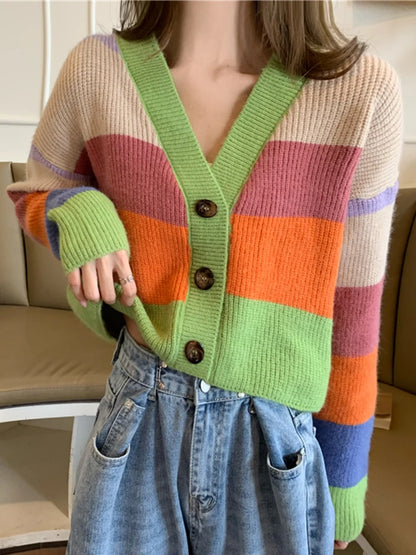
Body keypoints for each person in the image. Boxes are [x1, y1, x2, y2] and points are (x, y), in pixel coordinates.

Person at [6, 0, 403, 553]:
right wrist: (77, 211)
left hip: (274, 446)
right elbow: (36, 190)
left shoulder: (360, 92)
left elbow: (354, 310)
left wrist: (343, 478)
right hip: (136, 424)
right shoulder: (97, 70)